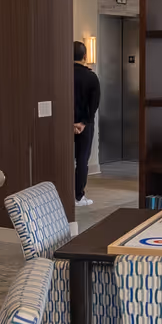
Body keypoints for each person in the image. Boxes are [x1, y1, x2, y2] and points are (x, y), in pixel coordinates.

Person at [73, 40, 101, 206]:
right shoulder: (91, 77)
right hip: (85, 124)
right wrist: (83, 123)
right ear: (85, 56)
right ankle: (78, 196)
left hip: (64, 123)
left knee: (62, 158)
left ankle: (61, 193)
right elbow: (94, 103)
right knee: (82, 159)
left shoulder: (62, 74)